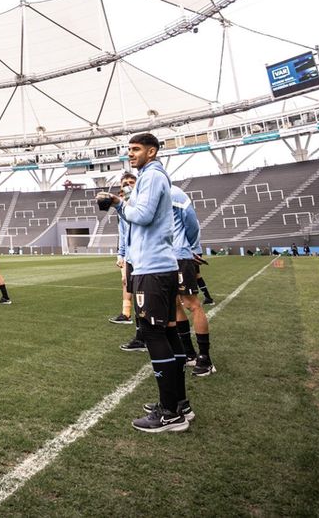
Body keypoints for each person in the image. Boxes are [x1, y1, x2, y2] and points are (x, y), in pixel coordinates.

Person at [105, 133, 191, 432]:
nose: (131, 154)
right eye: (129, 149)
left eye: (137, 149)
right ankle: (179, 404)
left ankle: (170, 414)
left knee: (153, 335)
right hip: (158, 265)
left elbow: (140, 216)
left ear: (151, 152)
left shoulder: (153, 176)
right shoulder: (149, 177)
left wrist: (118, 203)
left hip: (152, 268)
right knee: (168, 333)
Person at [170, 185, 215, 377]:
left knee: (191, 304)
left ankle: (205, 358)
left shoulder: (174, 193)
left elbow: (192, 223)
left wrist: (193, 249)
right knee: (174, 305)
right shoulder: (149, 194)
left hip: (180, 255)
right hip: (161, 258)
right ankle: (189, 353)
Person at [106, 172, 137, 324]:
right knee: (125, 280)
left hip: (145, 254)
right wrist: (121, 255)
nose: (128, 185)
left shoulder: (142, 203)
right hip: (129, 255)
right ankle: (126, 314)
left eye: (131, 182)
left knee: (144, 289)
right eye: (125, 184)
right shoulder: (121, 208)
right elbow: (123, 233)